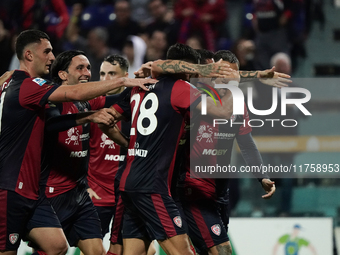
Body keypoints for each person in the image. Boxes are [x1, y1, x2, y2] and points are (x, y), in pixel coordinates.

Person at [0, 29, 153, 255]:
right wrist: (122, 80)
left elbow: (109, 99)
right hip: (26, 188)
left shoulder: (17, 81)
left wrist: (141, 85)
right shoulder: (35, 90)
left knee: (61, 247)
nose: (51, 57)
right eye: (47, 51)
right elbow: (61, 112)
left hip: (64, 192)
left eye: (88, 67)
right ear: (30, 55)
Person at [100, 43, 237, 255]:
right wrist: (232, 87)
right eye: (191, 71)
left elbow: (104, 120)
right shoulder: (180, 88)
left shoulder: (140, 86)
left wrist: (129, 145)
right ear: (182, 69)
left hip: (128, 182)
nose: (193, 77)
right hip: (153, 186)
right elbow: (223, 112)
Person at [40, 50, 150, 255]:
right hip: (53, 192)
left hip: (80, 194)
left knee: (97, 251)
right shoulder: (50, 98)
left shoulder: (87, 101)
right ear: (63, 75)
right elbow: (52, 124)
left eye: (88, 68)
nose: (87, 73)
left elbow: (120, 99)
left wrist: (143, 81)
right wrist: (88, 117)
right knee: (52, 250)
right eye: (80, 68)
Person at [176, 50, 275, 255]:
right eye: (221, 73)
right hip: (194, 190)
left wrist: (262, 177)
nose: (225, 79)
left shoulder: (238, 104)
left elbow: (246, 144)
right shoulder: (197, 97)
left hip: (220, 192)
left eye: (232, 75)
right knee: (222, 250)